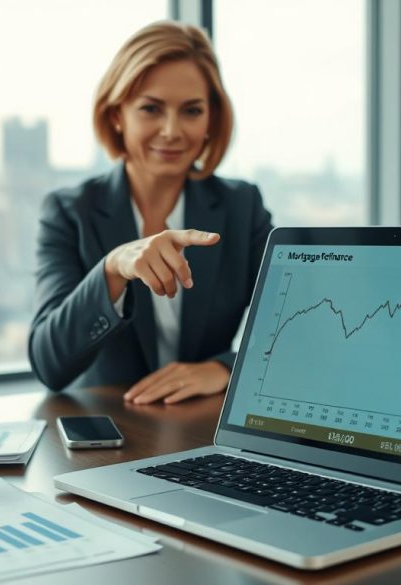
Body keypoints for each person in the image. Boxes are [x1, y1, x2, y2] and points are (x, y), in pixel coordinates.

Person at [28, 21, 273, 404]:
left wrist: (225, 367)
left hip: (202, 431)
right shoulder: (68, 212)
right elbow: (49, 364)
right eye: (151, 109)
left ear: (211, 120)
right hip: (108, 434)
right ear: (116, 115)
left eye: (192, 111)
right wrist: (112, 269)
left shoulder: (241, 208)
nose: (172, 131)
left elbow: (295, 330)